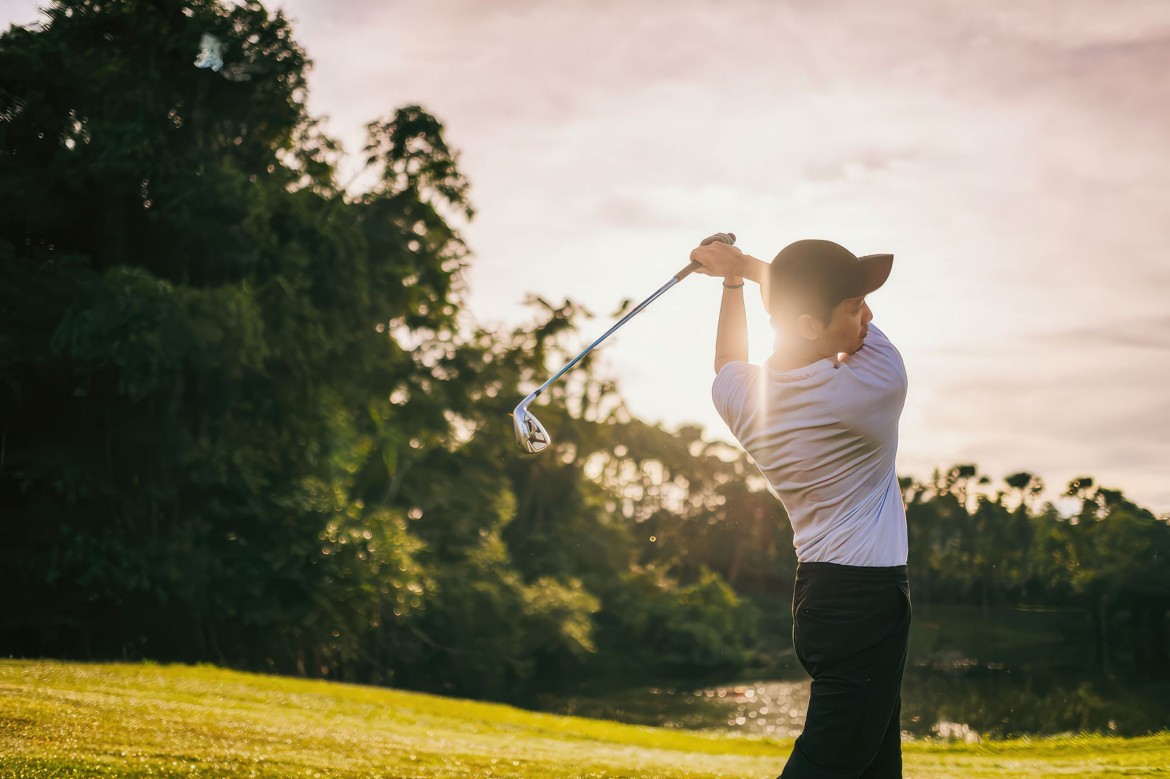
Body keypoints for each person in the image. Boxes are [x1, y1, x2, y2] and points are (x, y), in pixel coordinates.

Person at [689, 237, 912, 778]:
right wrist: (740, 268)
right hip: (866, 604)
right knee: (832, 765)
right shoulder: (876, 385)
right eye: (855, 307)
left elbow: (728, 360)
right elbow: (746, 343)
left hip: (819, 598)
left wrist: (734, 280)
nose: (868, 315)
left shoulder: (742, 399)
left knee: (876, 763)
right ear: (811, 324)